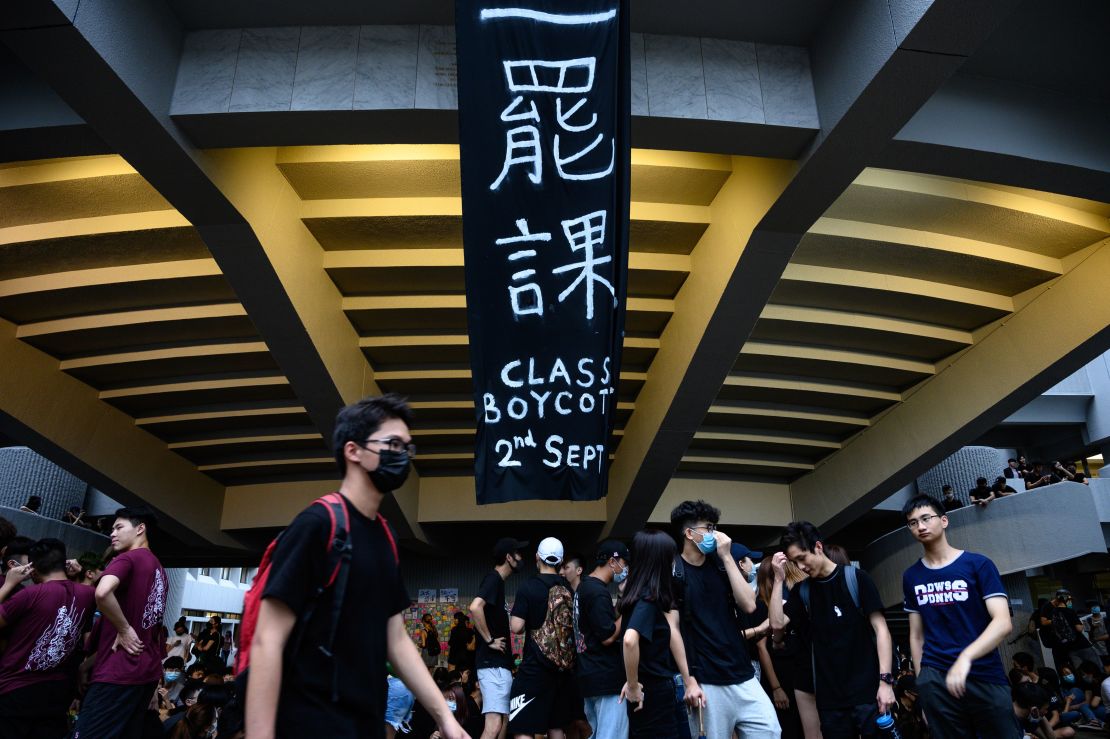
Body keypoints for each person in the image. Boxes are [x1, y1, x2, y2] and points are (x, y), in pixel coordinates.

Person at [244, 394, 466, 739]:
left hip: (364, 723)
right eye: (392, 443)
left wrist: (446, 718)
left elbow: (395, 638)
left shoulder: (386, 538)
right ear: (353, 450)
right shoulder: (317, 525)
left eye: (407, 447)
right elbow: (267, 640)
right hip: (308, 723)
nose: (402, 456)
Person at [900, 494, 1014, 737]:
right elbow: (916, 636)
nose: (920, 526)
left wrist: (966, 657)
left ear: (943, 521)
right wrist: (924, 686)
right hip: (935, 678)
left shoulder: (978, 565)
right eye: (912, 522)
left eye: (926, 518)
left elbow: (1003, 623)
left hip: (983, 673)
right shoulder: (911, 576)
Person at [770, 521, 894, 739]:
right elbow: (777, 625)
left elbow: (881, 630)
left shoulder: (856, 578)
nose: (800, 567)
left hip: (867, 693)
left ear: (818, 547)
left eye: (802, 558)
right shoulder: (803, 591)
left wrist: (885, 683)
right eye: (794, 562)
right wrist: (779, 580)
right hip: (829, 701)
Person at [669, 500, 780, 738]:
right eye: (708, 528)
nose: (714, 534)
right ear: (689, 533)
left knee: (770, 730)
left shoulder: (721, 564)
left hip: (743, 673)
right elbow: (673, 630)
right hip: (706, 679)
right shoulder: (674, 573)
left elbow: (749, 605)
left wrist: (728, 558)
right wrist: (689, 681)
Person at [74, 507, 168, 739]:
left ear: (140, 529)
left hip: (118, 674)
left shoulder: (127, 558)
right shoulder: (158, 569)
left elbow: (102, 592)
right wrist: (87, 665)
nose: (112, 534)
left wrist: (124, 628)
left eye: (118, 527)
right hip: (144, 674)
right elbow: (147, 633)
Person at [0, 538, 95, 737]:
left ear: (32, 568)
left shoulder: (29, 594)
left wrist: (8, 584)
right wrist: (76, 578)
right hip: (58, 691)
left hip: (15, 688)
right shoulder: (88, 595)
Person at [617, 529, 701, 738]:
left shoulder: (637, 595)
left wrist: (632, 682)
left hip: (649, 692)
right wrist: (634, 685)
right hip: (653, 694)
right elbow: (629, 640)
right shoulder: (648, 597)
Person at [507, 537, 576, 739]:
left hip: (535, 668)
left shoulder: (528, 587)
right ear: (561, 562)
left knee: (523, 727)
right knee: (556, 727)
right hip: (562, 671)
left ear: (537, 557)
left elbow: (516, 627)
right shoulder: (568, 589)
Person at [469, 536, 527, 739]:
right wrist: (489, 640)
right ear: (509, 557)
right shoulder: (493, 579)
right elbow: (475, 607)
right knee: (493, 725)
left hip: (498, 665)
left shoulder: (499, 583)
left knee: (502, 722)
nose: (522, 557)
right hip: (491, 664)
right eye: (518, 553)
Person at [573, 539, 630, 739]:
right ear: (613, 561)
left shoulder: (585, 587)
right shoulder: (597, 592)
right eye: (624, 562)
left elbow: (603, 622)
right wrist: (631, 610)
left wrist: (623, 600)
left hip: (589, 674)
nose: (625, 568)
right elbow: (607, 636)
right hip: (605, 678)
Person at [755, 560, 803, 739]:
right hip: (778, 673)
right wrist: (776, 687)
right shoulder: (763, 605)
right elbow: (762, 647)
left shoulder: (791, 600)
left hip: (794, 670)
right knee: (787, 727)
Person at [557, 552, 590, 739]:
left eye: (566, 567)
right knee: (569, 720)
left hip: (585, 664)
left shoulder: (587, 592)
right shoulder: (566, 593)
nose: (562, 571)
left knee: (583, 719)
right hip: (570, 666)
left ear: (579, 570)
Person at [1040, 589, 1102, 672]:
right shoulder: (1068, 611)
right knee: (1096, 666)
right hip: (1079, 645)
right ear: (1065, 599)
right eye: (1069, 600)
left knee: (1079, 670)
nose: (1070, 602)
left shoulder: (1053, 612)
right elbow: (1079, 629)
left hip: (1068, 646)